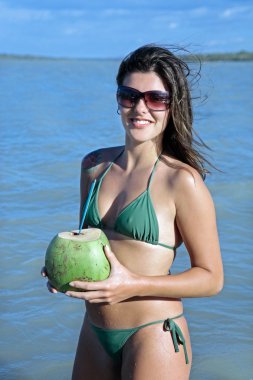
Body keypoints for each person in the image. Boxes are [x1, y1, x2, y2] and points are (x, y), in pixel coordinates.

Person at [42, 44, 223, 380]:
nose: (140, 108)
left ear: (172, 106)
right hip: (94, 332)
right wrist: (61, 269)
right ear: (118, 100)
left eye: (155, 98)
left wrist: (132, 284)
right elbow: (90, 241)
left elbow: (212, 278)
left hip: (154, 332)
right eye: (129, 95)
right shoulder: (94, 166)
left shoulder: (182, 181)